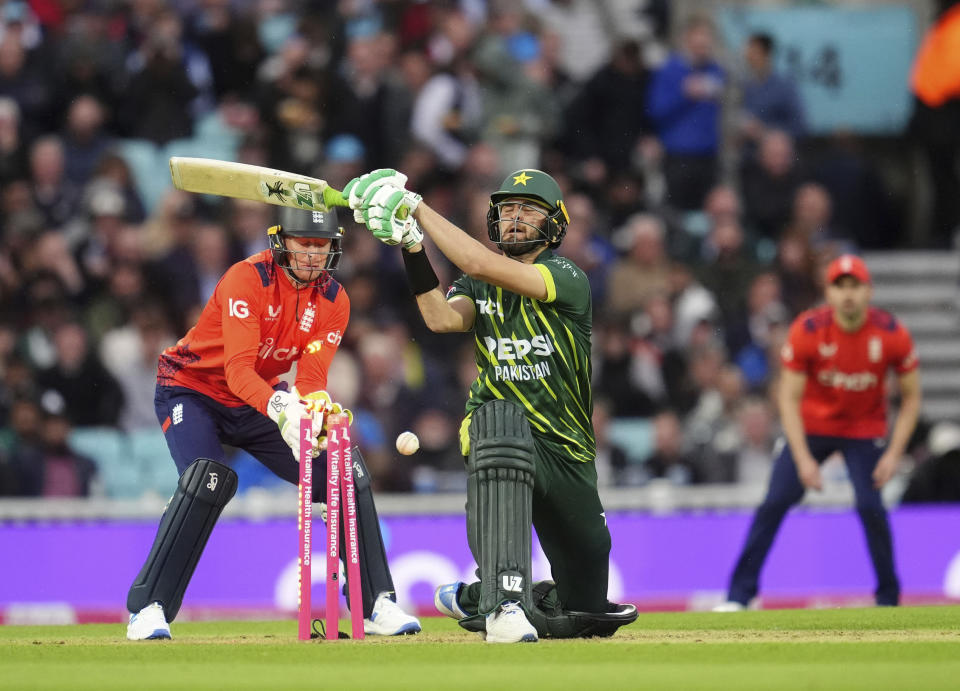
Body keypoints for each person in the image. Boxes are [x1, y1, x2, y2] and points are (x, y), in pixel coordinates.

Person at [341, 168, 638, 642]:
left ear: (555, 224)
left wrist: (415, 207)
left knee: (588, 610)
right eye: (509, 210)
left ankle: (481, 597)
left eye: (529, 210)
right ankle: (502, 605)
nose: (516, 218)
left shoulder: (565, 276)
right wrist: (412, 245)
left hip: (567, 448)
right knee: (500, 427)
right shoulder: (477, 285)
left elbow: (480, 263)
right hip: (501, 430)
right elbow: (440, 318)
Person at [125, 207, 420, 640]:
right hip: (191, 388)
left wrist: (315, 413)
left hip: (259, 398)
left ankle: (375, 604)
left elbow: (314, 379)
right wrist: (283, 412)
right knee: (207, 478)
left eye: (322, 246)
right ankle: (148, 608)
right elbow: (238, 371)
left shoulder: (335, 300)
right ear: (282, 242)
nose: (313, 255)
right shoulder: (247, 279)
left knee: (342, 468)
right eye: (304, 243)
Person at [715, 255, 921, 611]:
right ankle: (738, 596)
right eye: (839, 287)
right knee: (774, 502)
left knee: (871, 507)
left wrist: (892, 454)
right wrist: (803, 459)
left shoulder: (891, 333)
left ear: (868, 291)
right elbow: (787, 398)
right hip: (812, 427)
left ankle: (888, 598)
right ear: (827, 292)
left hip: (865, 429)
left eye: (855, 286)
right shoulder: (808, 330)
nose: (848, 295)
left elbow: (912, 397)